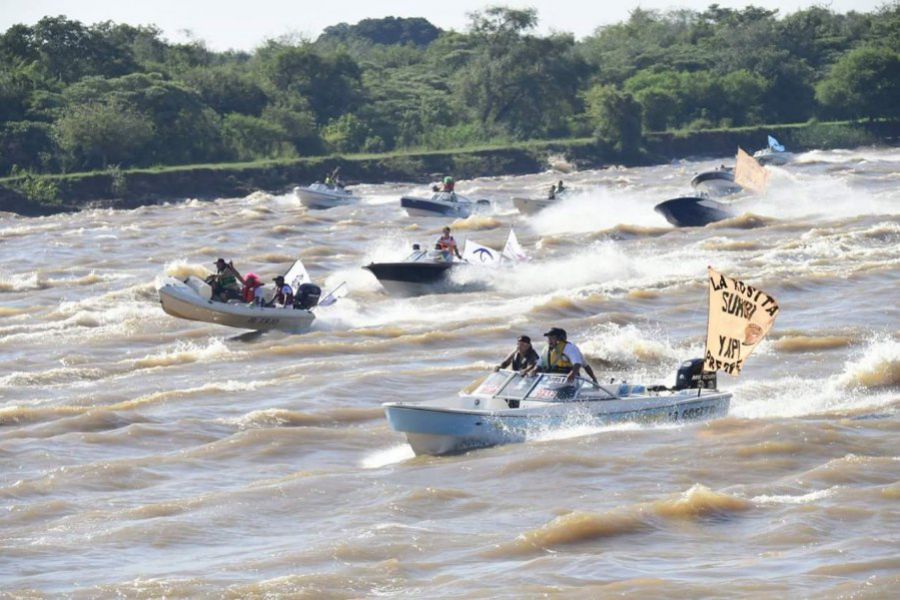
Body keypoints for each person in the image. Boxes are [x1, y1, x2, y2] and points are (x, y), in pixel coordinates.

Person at [526, 327, 599, 384]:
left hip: (569, 382)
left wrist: (573, 373)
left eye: (552, 338)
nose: (549, 340)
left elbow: (579, 364)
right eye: (548, 338)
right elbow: (539, 364)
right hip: (551, 381)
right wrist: (534, 370)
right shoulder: (546, 349)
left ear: (560, 339)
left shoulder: (570, 348)